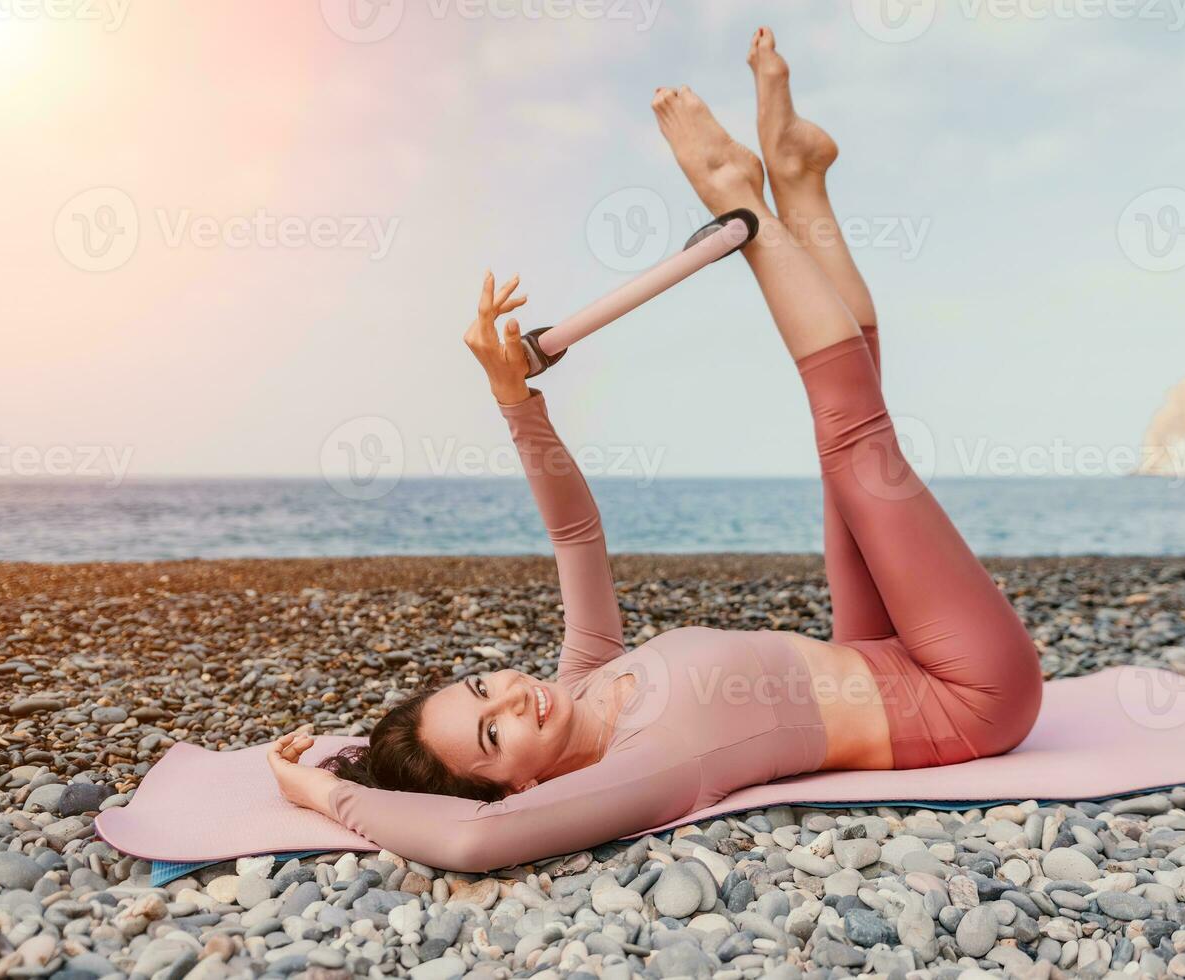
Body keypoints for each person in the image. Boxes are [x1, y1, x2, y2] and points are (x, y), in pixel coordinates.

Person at [269, 28, 1043, 873]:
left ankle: (797, 180)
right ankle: (738, 198)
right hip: (966, 694)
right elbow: (469, 840)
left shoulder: (587, 678)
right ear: (521, 791)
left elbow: (576, 537)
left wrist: (514, 400)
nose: (515, 700)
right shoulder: (644, 771)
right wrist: (323, 796)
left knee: (848, 458)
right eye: (494, 736)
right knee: (857, 442)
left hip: (872, 650)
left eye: (484, 688)